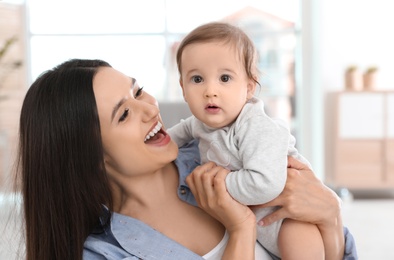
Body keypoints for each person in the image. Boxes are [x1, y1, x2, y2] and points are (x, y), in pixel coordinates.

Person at [15, 59, 357, 260]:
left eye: (137, 91)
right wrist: (240, 230)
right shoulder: (105, 253)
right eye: (124, 114)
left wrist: (330, 216)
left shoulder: (224, 151)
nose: (150, 108)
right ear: (89, 158)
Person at [168, 21, 321, 259]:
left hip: (288, 218)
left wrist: (221, 185)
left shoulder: (256, 126)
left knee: (301, 246)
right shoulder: (198, 123)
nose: (210, 90)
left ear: (249, 87)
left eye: (225, 78)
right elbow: (171, 140)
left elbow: (266, 184)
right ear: (183, 89)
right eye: (197, 79)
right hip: (255, 223)